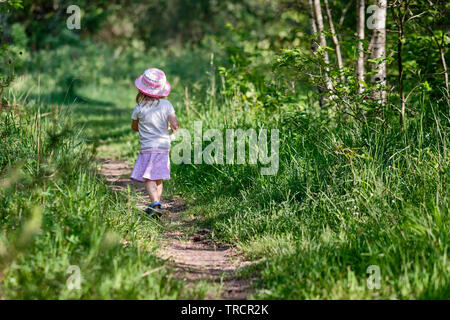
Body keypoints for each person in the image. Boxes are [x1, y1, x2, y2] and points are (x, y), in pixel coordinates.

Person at [130, 68, 179, 216]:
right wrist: (171, 128)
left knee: (148, 177)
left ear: (142, 90)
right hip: (164, 147)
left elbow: (134, 127)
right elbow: (175, 124)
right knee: (157, 177)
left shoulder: (139, 108)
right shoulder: (167, 105)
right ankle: (156, 204)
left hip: (148, 147)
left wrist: (145, 128)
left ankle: (155, 203)